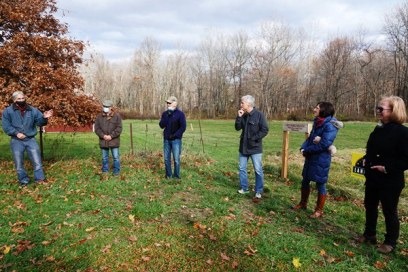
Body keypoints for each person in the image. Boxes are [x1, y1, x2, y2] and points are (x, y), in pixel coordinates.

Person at [357, 95, 408, 254]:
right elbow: (372, 150)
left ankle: (390, 242)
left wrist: (386, 168)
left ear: (394, 111)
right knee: (370, 206)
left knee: (389, 210)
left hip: (390, 180)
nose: (378, 111)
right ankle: (369, 235)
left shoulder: (403, 133)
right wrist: (365, 159)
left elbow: (406, 159)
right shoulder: (378, 129)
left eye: (381, 109)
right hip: (372, 178)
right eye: (377, 108)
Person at [292, 102, 340, 218]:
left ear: (324, 110)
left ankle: (319, 210)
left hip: (321, 159)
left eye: (317, 108)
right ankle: (303, 203)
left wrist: (308, 150)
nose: (314, 109)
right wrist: (303, 147)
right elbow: (311, 138)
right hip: (311, 157)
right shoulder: (317, 121)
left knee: (320, 184)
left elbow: (324, 144)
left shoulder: (330, 125)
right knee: (305, 180)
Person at [2, 91, 53, 186]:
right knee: (18, 163)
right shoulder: (8, 111)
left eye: (23, 98)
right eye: (19, 99)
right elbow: (6, 126)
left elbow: (40, 122)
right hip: (16, 140)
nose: (21, 100)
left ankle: (40, 179)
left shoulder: (32, 110)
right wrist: (16, 133)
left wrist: (44, 118)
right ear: (14, 100)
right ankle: (24, 181)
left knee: (37, 161)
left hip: (30, 139)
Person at [235, 95, 269, 201]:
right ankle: (244, 188)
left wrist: (254, 138)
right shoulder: (243, 115)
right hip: (243, 147)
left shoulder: (259, 115)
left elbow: (265, 130)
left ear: (248, 104)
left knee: (258, 170)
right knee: (242, 168)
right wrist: (239, 117)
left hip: (255, 148)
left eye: (242, 103)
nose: (240, 104)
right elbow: (237, 128)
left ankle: (258, 191)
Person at [159, 96, 186, 179]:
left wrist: (175, 135)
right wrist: (167, 115)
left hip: (176, 140)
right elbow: (161, 125)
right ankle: (168, 176)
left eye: (169, 103)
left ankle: (176, 176)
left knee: (176, 159)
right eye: (167, 103)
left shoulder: (180, 114)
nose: (167, 104)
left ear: (175, 103)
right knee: (166, 159)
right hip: (167, 140)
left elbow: (183, 127)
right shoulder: (165, 113)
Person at [94, 99, 123, 176]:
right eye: (104, 106)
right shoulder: (99, 117)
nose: (105, 107)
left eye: (107, 106)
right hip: (103, 141)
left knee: (116, 157)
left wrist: (111, 136)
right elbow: (97, 129)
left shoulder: (117, 116)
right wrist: (103, 136)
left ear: (111, 107)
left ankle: (116, 172)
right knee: (104, 158)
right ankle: (105, 171)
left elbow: (119, 128)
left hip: (114, 141)